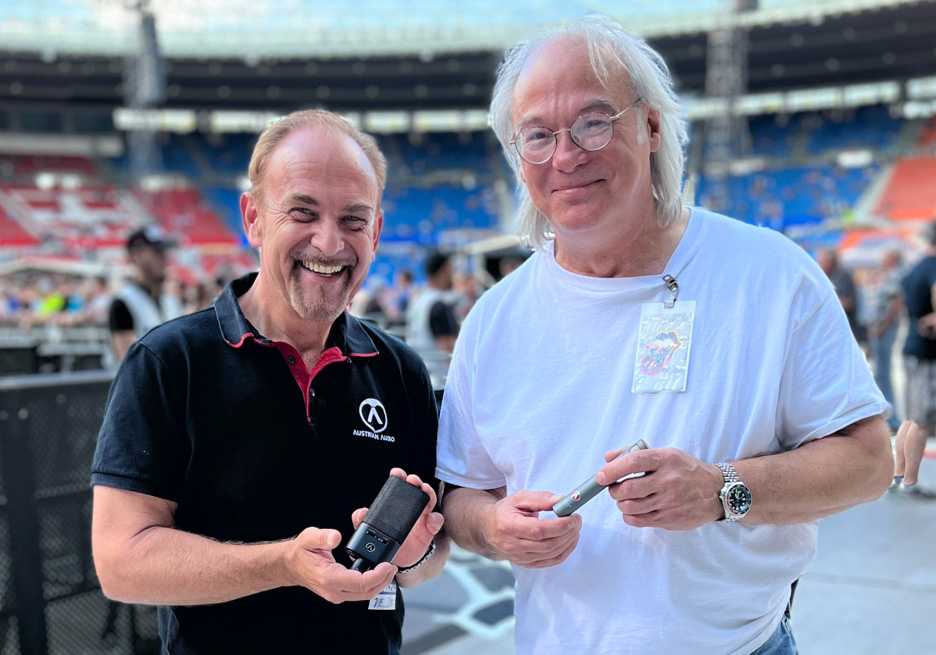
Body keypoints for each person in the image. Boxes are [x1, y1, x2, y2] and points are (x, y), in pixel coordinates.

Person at [436, 17, 893, 655]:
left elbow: (870, 461)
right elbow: (461, 494)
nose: (566, 156)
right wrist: (493, 526)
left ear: (651, 127)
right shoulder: (493, 321)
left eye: (594, 123)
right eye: (537, 136)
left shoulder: (769, 274)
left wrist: (721, 490)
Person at [91, 109, 448, 654]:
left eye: (353, 220)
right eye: (303, 213)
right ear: (254, 218)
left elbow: (426, 559)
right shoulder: (168, 361)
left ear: (376, 232)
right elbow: (120, 562)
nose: (329, 244)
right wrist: (283, 565)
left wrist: (411, 555)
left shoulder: (399, 369)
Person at [894, 222, 936, 494]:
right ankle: (909, 482)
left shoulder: (915, 267)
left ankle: (899, 477)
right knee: (921, 421)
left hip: (911, 347)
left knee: (910, 419)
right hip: (926, 354)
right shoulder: (933, 267)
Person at [108, 225, 183, 361]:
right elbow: (130, 365)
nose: (165, 259)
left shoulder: (170, 299)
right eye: (158, 252)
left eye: (165, 252)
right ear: (136, 255)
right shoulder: (123, 302)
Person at [406, 251, 459, 387]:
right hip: (439, 380)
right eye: (451, 270)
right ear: (443, 271)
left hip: (418, 373)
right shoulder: (439, 305)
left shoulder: (418, 300)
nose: (453, 275)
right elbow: (449, 350)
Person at [867, 249, 903, 431]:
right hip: (879, 329)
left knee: (883, 373)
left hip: (884, 329)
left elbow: (896, 303)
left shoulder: (895, 275)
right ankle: (888, 415)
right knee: (879, 373)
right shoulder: (886, 275)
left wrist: (883, 326)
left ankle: (892, 418)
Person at [817, 247, 864, 347]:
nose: (819, 264)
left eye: (822, 261)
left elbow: (849, 303)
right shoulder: (825, 276)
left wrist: (826, 303)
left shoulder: (843, 276)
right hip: (832, 332)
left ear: (831, 261)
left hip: (846, 330)